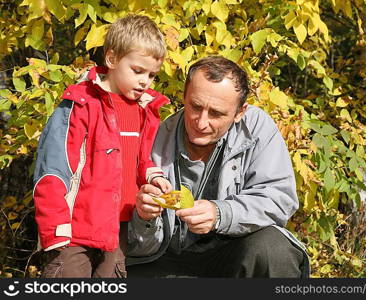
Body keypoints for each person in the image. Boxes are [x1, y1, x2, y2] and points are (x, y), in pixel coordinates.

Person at [126, 56, 310, 277]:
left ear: (240, 112)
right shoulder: (153, 137)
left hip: (231, 249)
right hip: (164, 255)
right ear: (184, 96)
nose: (201, 123)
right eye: (195, 107)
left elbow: (279, 199)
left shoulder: (258, 129)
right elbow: (136, 244)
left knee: (273, 247)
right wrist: (144, 218)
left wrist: (220, 214)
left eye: (216, 113)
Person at [33, 14, 171, 278]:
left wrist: (155, 179)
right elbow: (53, 167)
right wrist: (55, 229)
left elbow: (141, 161)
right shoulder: (80, 104)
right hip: (74, 230)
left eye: (152, 75)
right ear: (112, 59)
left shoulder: (145, 111)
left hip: (118, 231)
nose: (145, 81)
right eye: (138, 71)